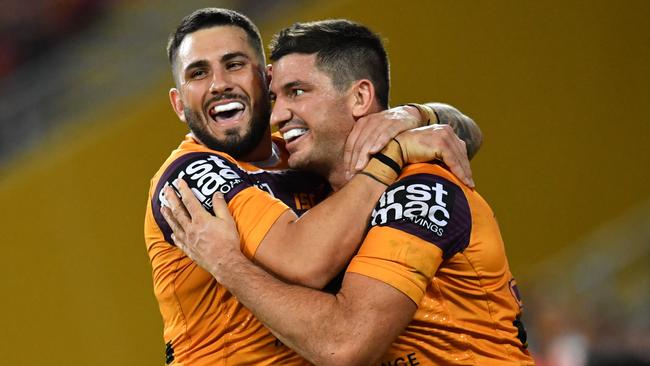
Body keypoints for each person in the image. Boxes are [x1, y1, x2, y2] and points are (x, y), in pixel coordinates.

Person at [167, 19, 534, 365]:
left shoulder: (420, 187)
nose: (278, 116)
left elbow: (344, 345)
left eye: (297, 92)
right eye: (276, 97)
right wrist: (419, 117)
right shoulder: (323, 186)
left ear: (360, 98)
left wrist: (225, 262)